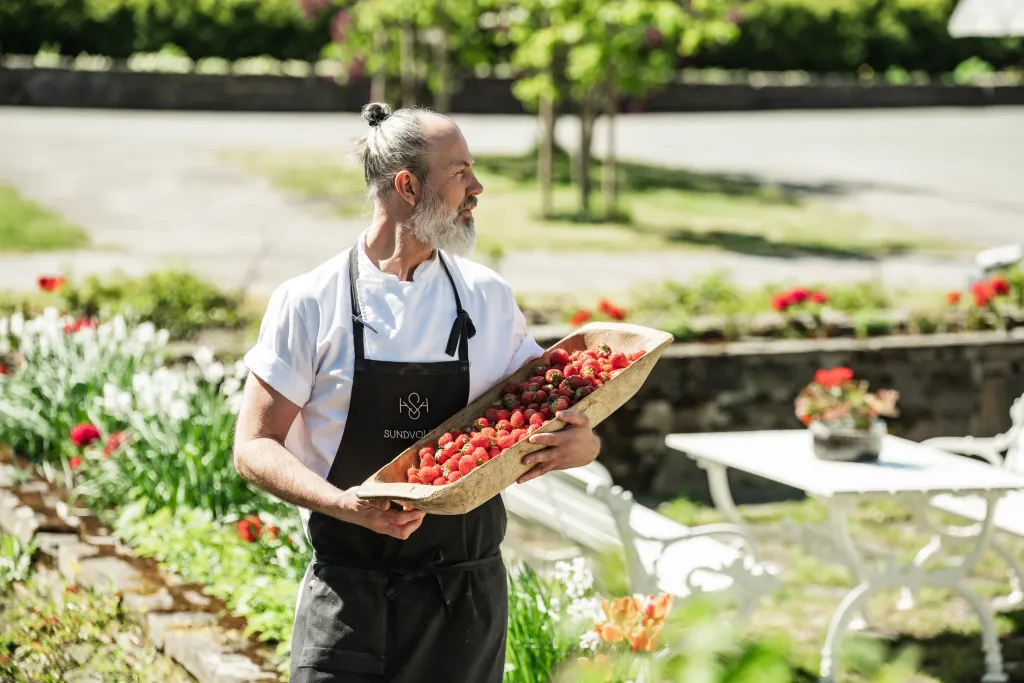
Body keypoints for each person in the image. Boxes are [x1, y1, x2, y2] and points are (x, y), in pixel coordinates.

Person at [232, 102, 602, 683]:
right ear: (407, 185)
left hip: (466, 603)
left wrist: (583, 447)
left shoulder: (487, 297)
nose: (477, 188)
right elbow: (253, 446)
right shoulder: (309, 301)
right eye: (460, 173)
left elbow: (547, 413)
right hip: (349, 599)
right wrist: (345, 506)